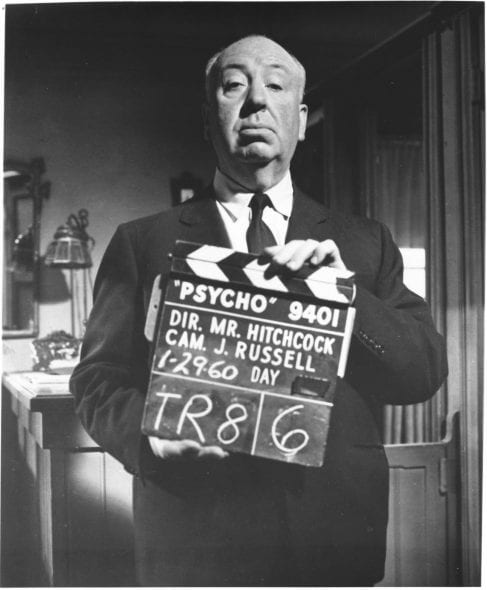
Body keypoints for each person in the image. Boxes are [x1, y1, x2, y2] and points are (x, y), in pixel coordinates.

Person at [70, 35, 447, 586]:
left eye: (275, 85)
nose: (256, 101)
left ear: (301, 120)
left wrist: (344, 294)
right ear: (209, 119)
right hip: (198, 539)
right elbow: (96, 380)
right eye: (233, 86)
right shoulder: (141, 242)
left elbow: (422, 374)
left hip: (334, 535)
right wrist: (151, 437)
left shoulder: (365, 244)